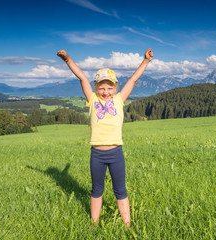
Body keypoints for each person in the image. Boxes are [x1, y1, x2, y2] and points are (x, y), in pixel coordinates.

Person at [57, 48, 153, 227]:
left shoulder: (119, 99)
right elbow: (82, 78)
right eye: (101, 87)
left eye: (110, 87)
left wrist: (145, 61)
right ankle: (94, 224)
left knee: (120, 190)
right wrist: (67, 59)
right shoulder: (93, 100)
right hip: (97, 155)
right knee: (96, 190)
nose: (106, 91)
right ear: (96, 88)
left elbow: (133, 79)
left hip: (116, 153)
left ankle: (127, 225)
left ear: (115, 88)